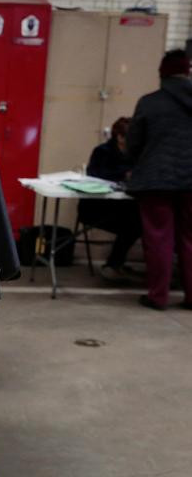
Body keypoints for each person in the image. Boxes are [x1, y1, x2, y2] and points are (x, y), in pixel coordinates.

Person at [126, 49, 192, 310]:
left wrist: (135, 162)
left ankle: (158, 296)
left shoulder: (149, 102)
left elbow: (133, 143)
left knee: (159, 239)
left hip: (156, 180)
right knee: (190, 239)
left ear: (162, 72)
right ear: (187, 71)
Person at [78, 116, 142, 281]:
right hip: (98, 208)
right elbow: (94, 176)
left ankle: (115, 264)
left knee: (139, 221)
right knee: (133, 224)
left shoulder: (136, 154)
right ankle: (113, 264)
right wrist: (123, 175)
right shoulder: (102, 152)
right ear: (120, 137)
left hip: (123, 206)